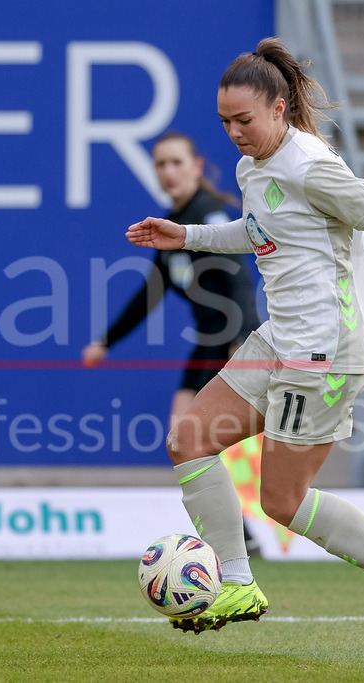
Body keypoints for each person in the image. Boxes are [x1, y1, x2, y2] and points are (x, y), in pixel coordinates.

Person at [125, 38, 364, 657]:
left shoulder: (310, 164)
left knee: (281, 500)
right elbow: (259, 230)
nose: (234, 133)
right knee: (187, 440)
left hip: (324, 355)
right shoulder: (253, 169)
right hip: (278, 340)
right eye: (224, 123)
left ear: (278, 108)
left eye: (244, 120)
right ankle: (238, 583)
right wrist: (184, 234)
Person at [83, 133, 264, 556]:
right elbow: (148, 294)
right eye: (161, 164)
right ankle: (236, 534)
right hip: (207, 343)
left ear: (196, 166)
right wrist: (105, 342)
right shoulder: (173, 226)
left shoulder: (208, 217)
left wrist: (242, 338)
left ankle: (238, 535)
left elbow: (238, 277)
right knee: (183, 438)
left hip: (231, 341)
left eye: (176, 163)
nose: (168, 172)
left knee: (196, 438)